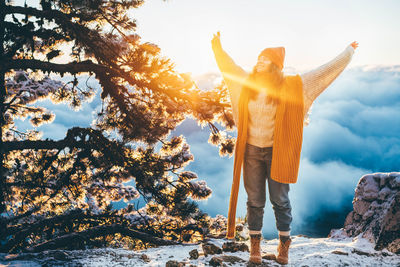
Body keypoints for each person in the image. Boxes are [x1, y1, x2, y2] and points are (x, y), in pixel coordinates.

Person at [211, 31, 358, 265]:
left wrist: (348, 52)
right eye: (258, 58)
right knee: (254, 201)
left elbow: (325, 72)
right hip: (250, 151)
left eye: (264, 59)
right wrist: (217, 47)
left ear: (275, 65)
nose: (258, 62)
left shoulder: (293, 86)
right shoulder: (246, 84)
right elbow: (229, 67)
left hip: (277, 152)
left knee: (280, 200)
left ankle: (284, 245)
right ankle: (255, 247)